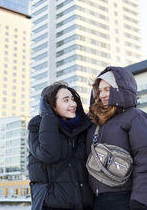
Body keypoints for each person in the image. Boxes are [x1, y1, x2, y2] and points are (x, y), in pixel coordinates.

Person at [86, 66, 147, 210]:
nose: (102, 95)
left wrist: (140, 203)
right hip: (95, 201)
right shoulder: (94, 121)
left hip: (125, 200)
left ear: (121, 89)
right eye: (100, 91)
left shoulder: (136, 117)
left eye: (108, 89)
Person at [28, 82, 93, 210]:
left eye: (73, 99)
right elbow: (48, 154)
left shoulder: (83, 127)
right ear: (51, 105)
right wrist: (48, 116)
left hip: (84, 204)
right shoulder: (36, 126)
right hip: (50, 204)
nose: (73, 104)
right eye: (66, 100)